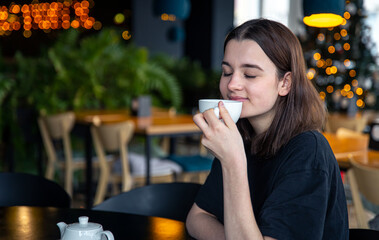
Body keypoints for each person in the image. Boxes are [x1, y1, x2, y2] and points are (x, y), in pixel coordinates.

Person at [187, 18, 349, 240]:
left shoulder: (308, 151)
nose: (232, 84)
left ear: (285, 83)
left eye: (250, 74)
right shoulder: (242, 137)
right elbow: (197, 217)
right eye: (226, 72)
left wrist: (233, 162)